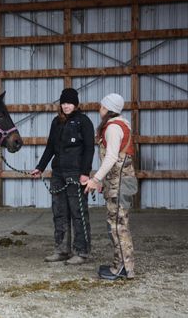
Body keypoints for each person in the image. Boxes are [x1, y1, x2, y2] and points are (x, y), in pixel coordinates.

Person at [31, 88, 95, 265]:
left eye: (69, 103)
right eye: (64, 103)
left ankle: (82, 251)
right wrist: (40, 167)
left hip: (75, 174)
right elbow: (50, 147)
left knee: (78, 213)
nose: (66, 106)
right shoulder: (56, 122)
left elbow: (90, 148)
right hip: (58, 173)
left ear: (76, 104)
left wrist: (85, 173)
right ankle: (62, 250)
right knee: (59, 213)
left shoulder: (84, 122)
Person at [84, 93, 138, 280]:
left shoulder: (113, 128)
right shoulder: (121, 124)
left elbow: (112, 157)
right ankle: (121, 265)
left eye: (102, 106)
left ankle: (123, 268)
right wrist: (103, 181)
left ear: (108, 109)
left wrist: (96, 179)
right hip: (118, 182)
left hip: (120, 183)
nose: (100, 109)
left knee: (118, 226)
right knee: (118, 224)